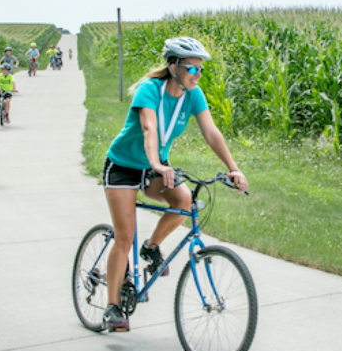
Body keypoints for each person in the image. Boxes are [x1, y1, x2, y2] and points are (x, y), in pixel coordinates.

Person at [100, 36, 248, 332]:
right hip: (124, 166)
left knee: (183, 202)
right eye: (192, 68)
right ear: (173, 66)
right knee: (124, 236)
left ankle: (151, 247)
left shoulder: (193, 95)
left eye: (200, 69)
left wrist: (233, 168)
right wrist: (156, 163)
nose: (198, 74)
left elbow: (211, 133)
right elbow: (148, 128)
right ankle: (112, 307)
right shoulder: (149, 90)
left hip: (156, 166)